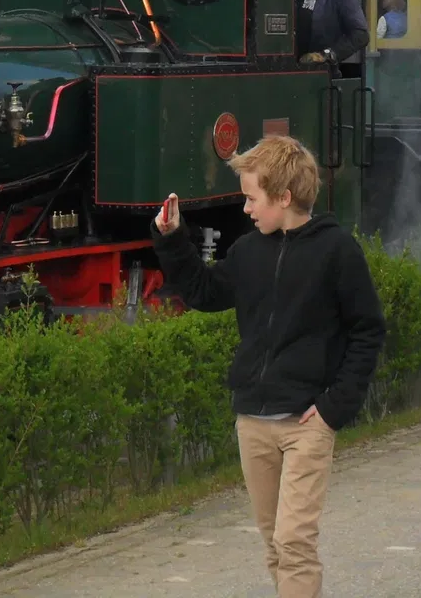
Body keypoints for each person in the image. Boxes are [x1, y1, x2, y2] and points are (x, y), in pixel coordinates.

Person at [153, 136, 384, 598]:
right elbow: (202, 292)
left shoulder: (338, 251)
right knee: (274, 547)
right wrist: (172, 236)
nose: (244, 209)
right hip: (253, 424)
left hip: (306, 423)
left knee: (294, 542)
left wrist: (334, 408)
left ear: (284, 197)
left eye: (251, 197)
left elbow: (368, 331)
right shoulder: (248, 252)